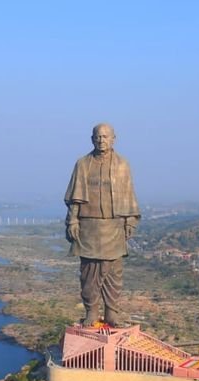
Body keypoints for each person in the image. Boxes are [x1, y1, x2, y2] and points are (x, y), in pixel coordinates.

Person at [64, 123, 141, 327]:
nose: (101, 140)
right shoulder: (83, 164)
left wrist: (130, 221)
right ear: (92, 139)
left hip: (114, 225)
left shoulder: (123, 165)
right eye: (98, 137)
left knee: (113, 272)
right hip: (89, 226)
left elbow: (128, 195)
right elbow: (74, 198)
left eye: (106, 136)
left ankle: (111, 313)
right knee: (89, 272)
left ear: (114, 139)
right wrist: (73, 219)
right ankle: (91, 310)